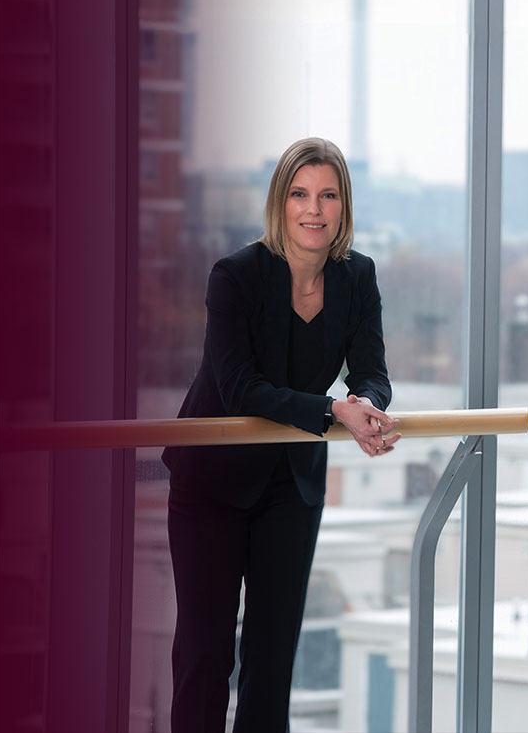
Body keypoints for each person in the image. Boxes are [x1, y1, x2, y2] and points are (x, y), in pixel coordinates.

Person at [162, 137, 398, 732]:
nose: (312, 209)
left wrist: (365, 400)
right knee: (205, 656)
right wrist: (331, 409)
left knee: (271, 663)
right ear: (279, 202)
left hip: (290, 486)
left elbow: (371, 369)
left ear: (344, 205)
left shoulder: (357, 276)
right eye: (299, 194)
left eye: (327, 195)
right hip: (212, 482)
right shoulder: (235, 276)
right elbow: (240, 387)